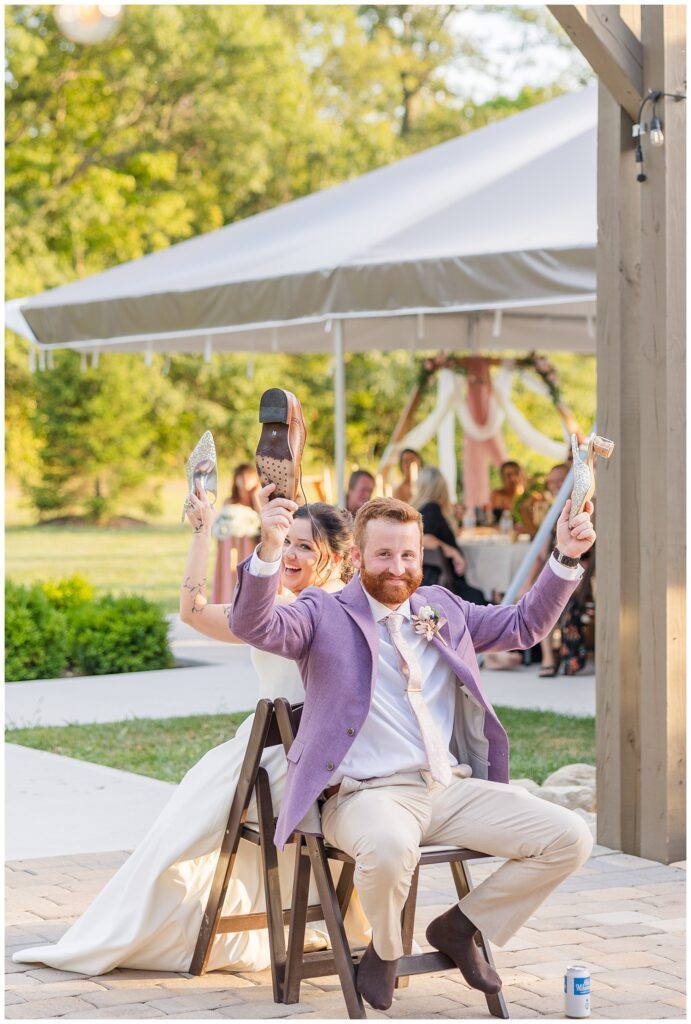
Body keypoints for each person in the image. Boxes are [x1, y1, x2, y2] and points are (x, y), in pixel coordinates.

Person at [229, 488, 596, 1010]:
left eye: (408, 554)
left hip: (447, 789)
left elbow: (523, 626)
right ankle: (385, 948)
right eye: (383, 555)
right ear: (357, 556)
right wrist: (267, 548)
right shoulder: (322, 612)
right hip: (364, 796)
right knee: (388, 849)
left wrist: (565, 556)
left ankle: (460, 926)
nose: (398, 567)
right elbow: (254, 625)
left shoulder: (440, 607)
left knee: (569, 836)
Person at [12, 489, 370, 976]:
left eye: (306, 546)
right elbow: (193, 613)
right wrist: (202, 532)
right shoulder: (272, 608)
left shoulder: (337, 611)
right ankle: (139, 924)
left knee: (188, 819)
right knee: (182, 823)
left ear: (341, 556)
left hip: (295, 757)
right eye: (288, 541)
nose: (290, 553)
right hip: (266, 749)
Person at [412, 466, 486, 605]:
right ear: (441, 487)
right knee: (484, 594)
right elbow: (425, 538)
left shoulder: (418, 511)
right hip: (447, 590)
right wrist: (454, 553)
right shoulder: (432, 508)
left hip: (433, 586)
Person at [211, 462, 261, 604]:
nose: (245, 480)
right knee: (230, 572)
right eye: (241, 476)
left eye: (249, 476)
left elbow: (262, 518)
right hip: (232, 544)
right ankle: (229, 600)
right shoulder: (229, 501)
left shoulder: (258, 499)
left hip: (251, 543)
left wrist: (256, 496)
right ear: (236, 479)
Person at [490, 460, 525, 524]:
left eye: (516, 473)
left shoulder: (528, 495)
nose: (513, 478)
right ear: (502, 478)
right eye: (508, 475)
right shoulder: (497, 494)